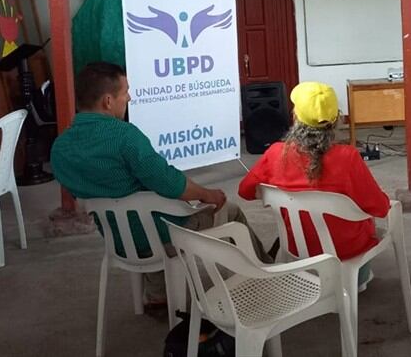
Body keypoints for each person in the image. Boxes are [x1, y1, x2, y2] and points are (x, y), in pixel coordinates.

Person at [51, 62, 272, 307]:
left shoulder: (61, 148)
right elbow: (170, 184)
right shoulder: (124, 135)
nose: (129, 97)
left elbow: (82, 190)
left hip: (117, 239)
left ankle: (158, 292)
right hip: (159, 235)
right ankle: (262, 277)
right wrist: (208, 194)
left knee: (145, 213)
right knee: (229, 211)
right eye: (125, 92)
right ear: (107, 101)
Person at [238, 81, 390, 287]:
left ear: (295, 117)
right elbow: (380, 207)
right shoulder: (349, 157)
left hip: (297, 253)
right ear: (336, 119)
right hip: (347, 260)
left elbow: (245, 191)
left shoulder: (275, 153)